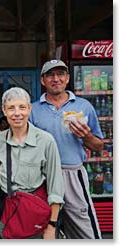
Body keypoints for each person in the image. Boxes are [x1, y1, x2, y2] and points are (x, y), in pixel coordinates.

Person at [29, 59, 104, 239]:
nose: (56, 79)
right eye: (50, 75)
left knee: (83, 227)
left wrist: (86, 135)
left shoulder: (83, 106)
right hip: (43, 177)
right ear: (42, 80)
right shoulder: (33, 109)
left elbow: (98, 147)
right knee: (44, 229)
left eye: (60, 74)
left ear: (67, 78)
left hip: (72, 174)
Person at [0, 87, 64, 239]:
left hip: (34, 212)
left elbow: (56, 186)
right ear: (4, 111)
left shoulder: (45, 140)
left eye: (22, 107)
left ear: (30, 109)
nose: (17, 113)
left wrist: (51, 226)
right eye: (11, 108)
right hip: (8, 209)